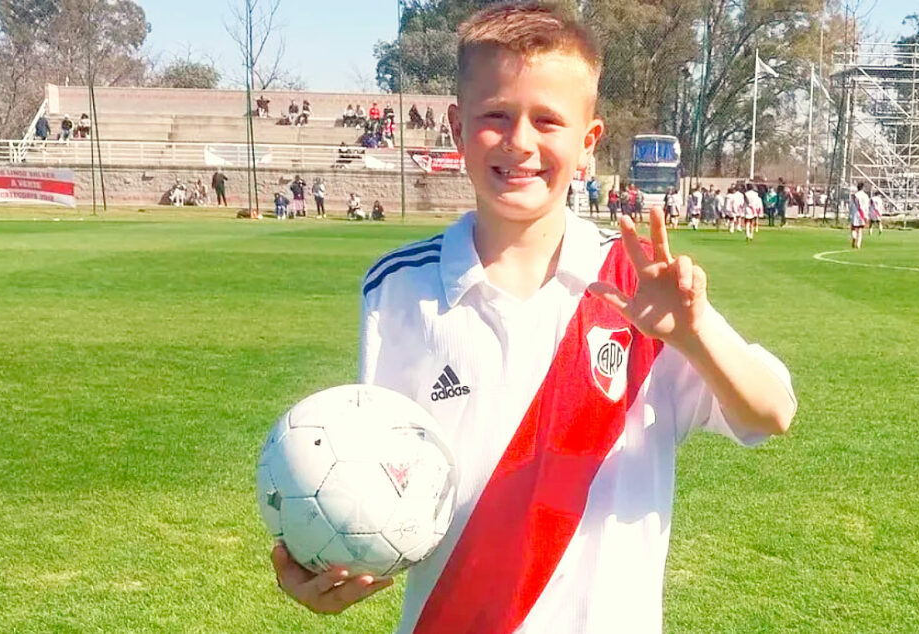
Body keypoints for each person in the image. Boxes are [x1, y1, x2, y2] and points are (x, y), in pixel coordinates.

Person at [270, 4, 796, 633]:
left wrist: (696, 332)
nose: (520, 142)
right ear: (458, 128)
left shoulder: (641, 287)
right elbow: (377, 477)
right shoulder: (398, 289)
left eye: (548, 120)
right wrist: (327, 558)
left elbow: (772, 413)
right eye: (496, 116)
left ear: (587, 143)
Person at [849, 182, 869, 249]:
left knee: (853, 228)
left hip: (855, 213)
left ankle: (854, 237)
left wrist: (850, 214)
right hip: (862, 213)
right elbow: (866, 206)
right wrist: (866, 215)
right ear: (863, 188)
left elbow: (851, 205)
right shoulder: (865, 196)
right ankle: (858, 243)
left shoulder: (855, 195)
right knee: (860, 229)